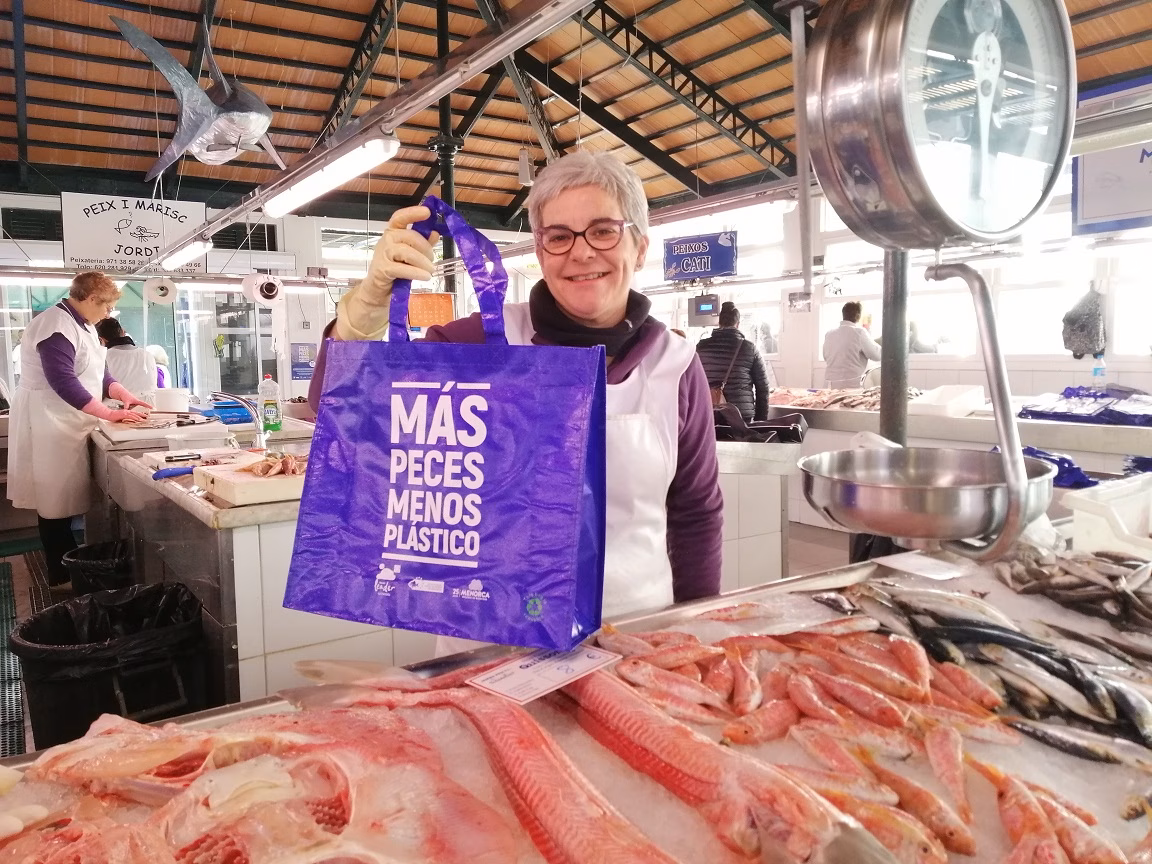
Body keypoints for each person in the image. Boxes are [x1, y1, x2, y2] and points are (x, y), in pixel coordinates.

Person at [309, 151, 723, 649]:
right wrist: (365, 309)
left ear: (639, 248)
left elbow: (696, 512)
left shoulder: (674, 365)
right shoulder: (474, 344)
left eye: (604, 231)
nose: (581, 252)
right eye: (559, 236)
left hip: (633, 640)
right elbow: (342, 411)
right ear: (541, 252)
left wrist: (696, 631)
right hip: (488, 646)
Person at [8, 273, 152, 591]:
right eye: (107, 306)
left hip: (69, 419)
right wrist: (108, 414)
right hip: (48, 419)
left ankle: (73, 567)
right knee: (53, 500)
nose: (109, 313)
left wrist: (123, 394)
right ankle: (60, 576)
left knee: (63, 497)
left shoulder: (84, 325)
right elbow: (63, 380)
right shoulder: (55, 326)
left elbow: (98, 372)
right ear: (91, 299)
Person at [695, 302, 770, 422]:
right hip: (740, 416)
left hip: (708, 413)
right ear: (737, 324)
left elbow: (693, 382)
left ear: (719, 323)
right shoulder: (749, 348)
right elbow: (763, 388)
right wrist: (760, 421)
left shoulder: (701, 347)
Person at [95, 317, 158, 400]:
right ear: (123, 332)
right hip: (149, 405)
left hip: (118, 406)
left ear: (100, 340)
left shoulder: (104, 357)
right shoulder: (147, 355)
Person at [822, 300, 881, 388]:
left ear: (843, 314)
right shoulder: (859, 332)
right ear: (858, 316)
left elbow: (826, 356)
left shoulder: (829, 334)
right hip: (851, 386)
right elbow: (877, 355)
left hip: (830, 385)